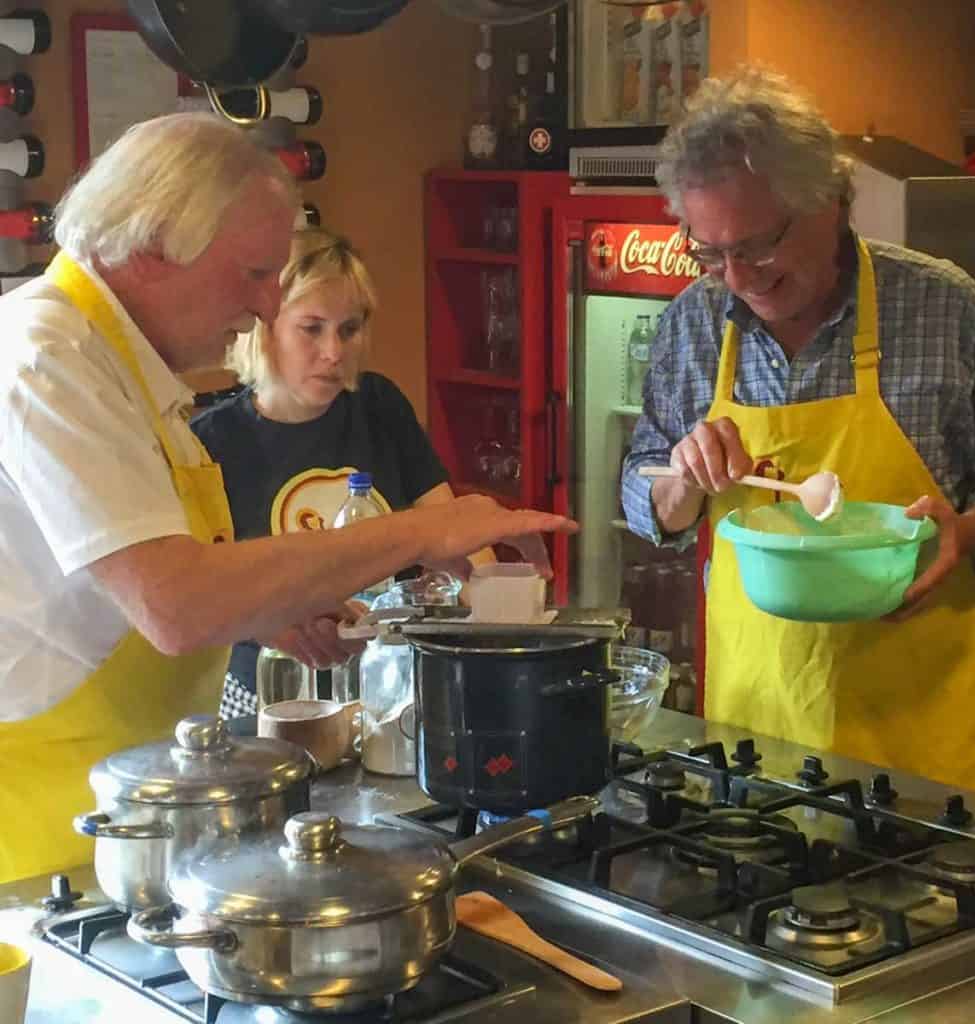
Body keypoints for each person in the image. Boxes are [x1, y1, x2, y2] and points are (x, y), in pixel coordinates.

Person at [0, 112, 575, 884]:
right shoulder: (49, 357)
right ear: (156, 242)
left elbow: (130, 585)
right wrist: (419, 530)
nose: (269, 306)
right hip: (37, 833)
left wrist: (272, 610)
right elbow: (174, 604)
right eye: (253, 274)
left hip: (124, 805)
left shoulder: (122, 366)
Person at [621, 66, 975, 796]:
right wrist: (681, 479)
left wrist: (970, 531)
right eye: (710, 253)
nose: (737, 277)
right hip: (759, 727)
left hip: (922, 720)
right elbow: (642, 484)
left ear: (834, 204)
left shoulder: (944, 308)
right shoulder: (694, 323)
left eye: (759, 244)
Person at [193, 226, 493, 717]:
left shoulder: (379, 404)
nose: (334, 352)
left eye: (349, 330)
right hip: (271, 691)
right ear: (264, 328)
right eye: (312, 329)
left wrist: (498, 605)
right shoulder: (211, 442)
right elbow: (204, 601)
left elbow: (452, 533)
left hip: (384, 685)